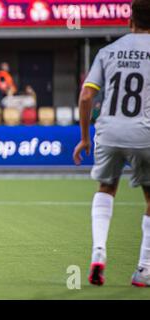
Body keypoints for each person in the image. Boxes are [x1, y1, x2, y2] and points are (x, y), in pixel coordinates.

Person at [73, 0, 150, 287]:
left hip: (109, 131)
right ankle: (143, 269)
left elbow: (85, 97)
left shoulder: (108, 51)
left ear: (131, 21)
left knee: (106, 188)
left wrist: (83, 138)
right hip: (145, 131)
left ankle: (98, 252)